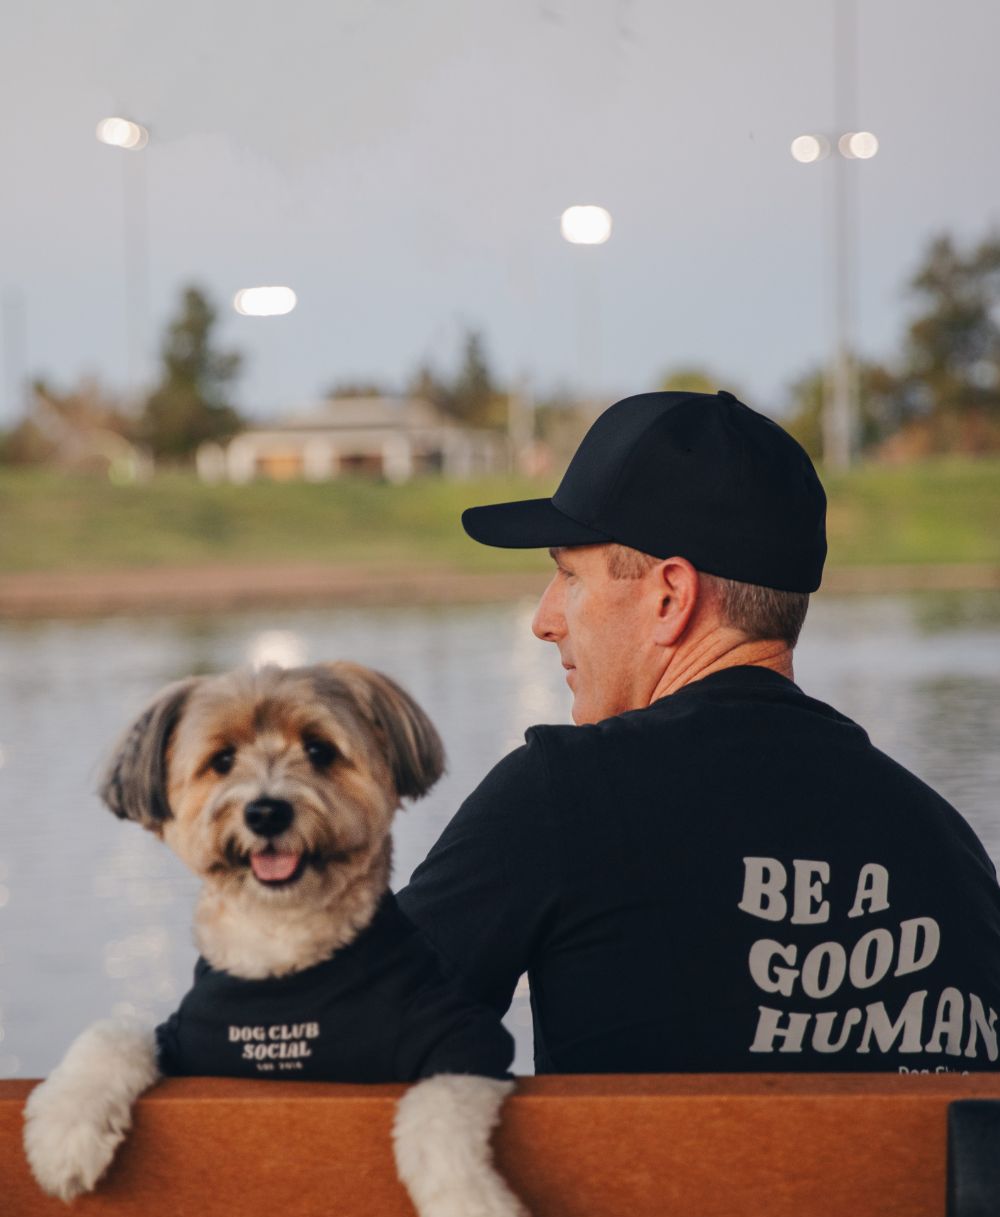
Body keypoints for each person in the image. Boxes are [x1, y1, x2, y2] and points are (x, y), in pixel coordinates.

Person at [396, 390, 1000, 1075]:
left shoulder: (564, 794)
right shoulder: (947, 843)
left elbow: (349, 1021)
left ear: (670, 597)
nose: (545, 619)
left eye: (568, 575)